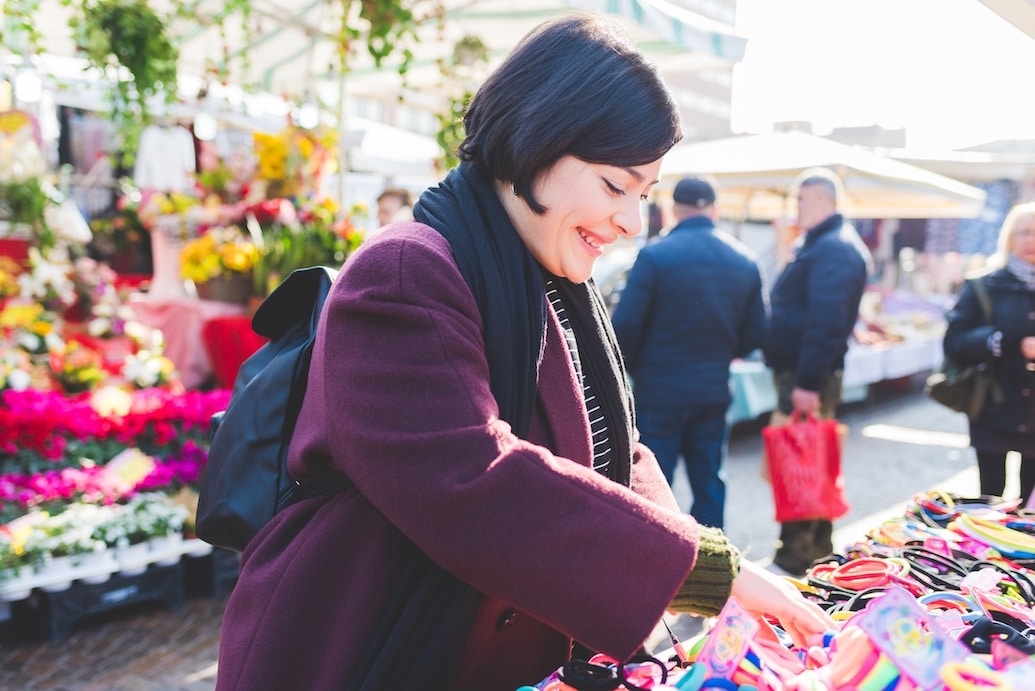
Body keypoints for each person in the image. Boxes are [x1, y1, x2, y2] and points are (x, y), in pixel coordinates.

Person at [216, 14, 833, 691]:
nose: (631, 222)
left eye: (645, 193)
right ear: (536, 144)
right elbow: (472, 479)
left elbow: (614, 452)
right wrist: (705, 570)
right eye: (614, 185)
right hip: (364, 647)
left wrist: (699, 569)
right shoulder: (403, 269)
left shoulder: (547, 275)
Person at [611, 176, 766, 530]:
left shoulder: (654, 256)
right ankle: (711, 561)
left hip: (659, 389)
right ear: (714, 209)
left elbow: (625, 328)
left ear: (674, 209)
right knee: (709, 479)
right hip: (712, 388)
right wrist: (723, 354)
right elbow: (755, 333)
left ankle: (654, 556)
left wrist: (637, 369)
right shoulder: (744, 260)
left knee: (654, 481)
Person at [762, 167, 872, 577]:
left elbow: (826, 322)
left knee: (801, 461)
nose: (797, 208)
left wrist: (808, 381)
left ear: (825, 200)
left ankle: (797, 554)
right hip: (804, 372)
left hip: (808, 377)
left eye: (802, 200)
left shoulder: (834, 249)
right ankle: (817, 549)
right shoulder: (824, 244)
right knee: (810, 459)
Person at [944, 201, 1035, 505]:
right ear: (1009, 238)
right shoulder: (984, 284)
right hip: (992, 407)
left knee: (1031, 511)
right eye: (1024, 232)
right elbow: (954, 342)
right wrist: (1001, 341)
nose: (1031, 241)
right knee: (990, 501)